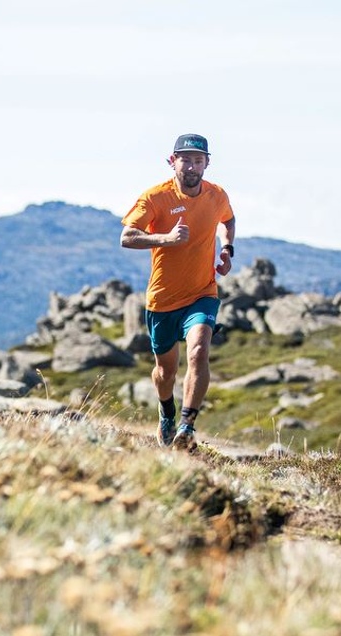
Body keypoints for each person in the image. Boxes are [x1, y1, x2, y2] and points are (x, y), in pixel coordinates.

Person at [120, 133, 236, 451]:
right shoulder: (156, 197)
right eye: (185, 159)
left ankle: (187, 425)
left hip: (202, 292)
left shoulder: (216, 195)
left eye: (199, 160)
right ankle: (167, 412)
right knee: (164, 372)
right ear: (173, 162)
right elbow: (127, 237)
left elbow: (228, 219)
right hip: (163, 299)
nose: (192, 166)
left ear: (207, 163)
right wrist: (166, 240)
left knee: (198, 352)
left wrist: (227, 248)